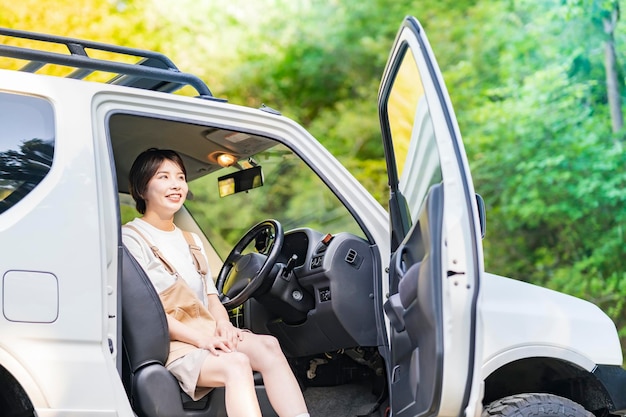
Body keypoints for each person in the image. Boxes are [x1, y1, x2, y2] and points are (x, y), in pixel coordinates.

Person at [122, 148, 309, 417]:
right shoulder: (131, 238)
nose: (176, 185)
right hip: (171, 344)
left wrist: (223, 325)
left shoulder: (191, 240)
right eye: (163, 177)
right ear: (142, 189)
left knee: (269, 346)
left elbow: (211, 298)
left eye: (180, 177)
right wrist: (201, 340)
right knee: (236, 363)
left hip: (206, 331)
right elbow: (150, 315)